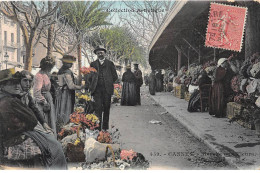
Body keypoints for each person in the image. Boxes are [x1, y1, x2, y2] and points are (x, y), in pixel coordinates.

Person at [0, 69, 67, 169]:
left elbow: (35, 110)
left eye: (16, 82)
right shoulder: (11, 101)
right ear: (2, 86)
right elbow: (32, 120)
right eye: (11, 83)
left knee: (50, 136)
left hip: (21, 130)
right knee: (55, 146)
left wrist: (44, 123)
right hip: (18, 134)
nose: (16, 86)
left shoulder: (15, 97)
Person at [88, 45, 118, 131]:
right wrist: (91, 85)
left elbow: (115, 76)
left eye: (101, 52)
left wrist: (108, 81)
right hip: (96, 90)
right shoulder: (93, 64)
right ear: (96, 54)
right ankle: (98, 128)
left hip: (107, 90)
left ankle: (105, 128)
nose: (100, 54)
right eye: (98, 53)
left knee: (106, 108)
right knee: (97, 109)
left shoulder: (110, 63)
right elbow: (89, 77)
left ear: (104, 53)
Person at [55, 55, 84, 128]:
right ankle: (65, 127)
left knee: (60, 110)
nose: (72, 64)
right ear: (65, 63)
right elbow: (71, 86)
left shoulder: (60, 70)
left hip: (61, 93)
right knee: (66, 110)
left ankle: (60, 126)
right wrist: (81, 87)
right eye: (70, 63)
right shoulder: (67, 72)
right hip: (66, 94)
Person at [33, 56, 57, 135]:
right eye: (50, 67)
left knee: (50, 120)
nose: (50, 69)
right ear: (45, 66)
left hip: (48, 98)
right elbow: (36, 92)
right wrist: (44, 101)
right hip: (43, 102)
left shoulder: (45, 74)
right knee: (45, 121)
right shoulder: (39, 76)